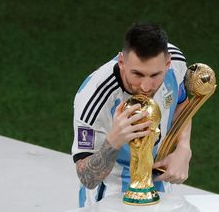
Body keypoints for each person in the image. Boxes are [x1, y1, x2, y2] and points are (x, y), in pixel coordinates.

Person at [71, 23, 192, 207]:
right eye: (137, 74)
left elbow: (181, 103)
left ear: (167, 63)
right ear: (121, 62)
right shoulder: (94, 97)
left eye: (154, 75)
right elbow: (87, 178)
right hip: (109, 200)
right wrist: (113, 141)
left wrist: (183, 148)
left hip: (159, 191)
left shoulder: (176, 63)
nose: (145, 86)